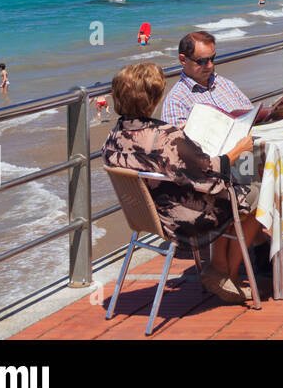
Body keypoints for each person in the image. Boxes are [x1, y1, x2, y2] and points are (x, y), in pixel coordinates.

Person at [103, 61, 262, 305]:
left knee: (231, 193)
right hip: (181, 219)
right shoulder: (165, 137)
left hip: (148, 214)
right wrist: (237, 150)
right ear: (154, 98)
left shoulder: (113, 137)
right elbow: (207, 171)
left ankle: (220, 270)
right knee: (255, 194)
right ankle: (224, 271)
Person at [164, 31, 283, 274]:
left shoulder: (225, 84)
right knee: (264, 188)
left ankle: (268, 247)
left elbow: (247, 116)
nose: (209, 66)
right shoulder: (177, 100)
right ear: (183, 60)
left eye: (212, 59)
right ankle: (262, 250)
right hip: (213, 175)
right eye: (202, 61)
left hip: (243, 162)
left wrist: (269, 114)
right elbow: (181, 154)